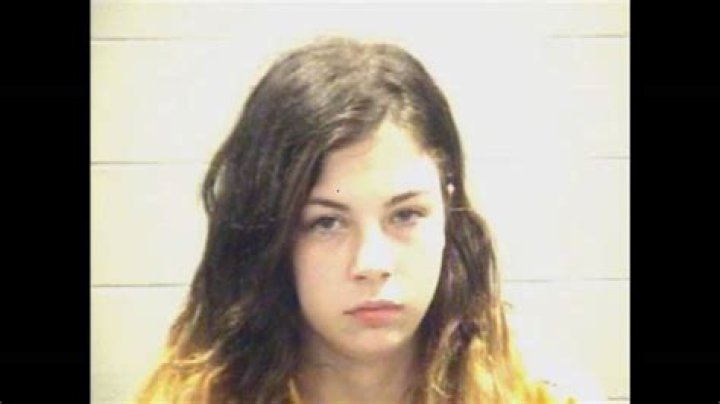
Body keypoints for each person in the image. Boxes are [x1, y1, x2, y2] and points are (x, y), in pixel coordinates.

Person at [138, 37, 575, 404]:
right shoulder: (189, 396)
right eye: (326, 223)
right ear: (268, 236)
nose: (372, 264)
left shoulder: (536, 394)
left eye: (405, 215)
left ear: (447, 210)